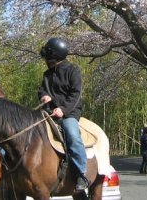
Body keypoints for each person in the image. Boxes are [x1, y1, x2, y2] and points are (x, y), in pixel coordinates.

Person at [37, 37, 88, 192]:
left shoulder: (73, 70)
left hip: (69, 113)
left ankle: (81, 174)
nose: (46, 59)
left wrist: (63, 110)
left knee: (72, 135)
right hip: (48, 112)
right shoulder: (47, 74)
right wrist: (43, 96)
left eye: (48, 56)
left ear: (55, 55)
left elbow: (75, 94)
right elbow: (41, 89)